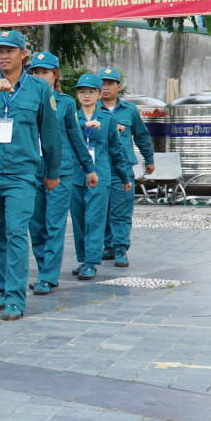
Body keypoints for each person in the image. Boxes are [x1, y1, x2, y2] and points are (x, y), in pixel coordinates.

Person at [0, 30, 61, 321]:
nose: (3, 56)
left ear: (23, 55)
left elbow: (50, 134)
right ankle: (5, 288)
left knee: (16, 232)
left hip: (22, 174)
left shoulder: (39, 89)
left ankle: (16, 299)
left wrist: (52, 172)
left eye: (10, 51)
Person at [26, 52, 96, 295]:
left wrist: (88, 168)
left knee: (54, 224)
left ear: (55, 74)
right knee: (36, 226)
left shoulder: (65, 102)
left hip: (61, 171)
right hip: (31, 170)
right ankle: (44, 270)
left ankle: (47, 276)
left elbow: (76, 136)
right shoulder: (24, 97)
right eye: (35, 72)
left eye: (45, 72)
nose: (39, 76)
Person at [70, 73, 133, 280]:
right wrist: (83, 126)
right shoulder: (71, 116)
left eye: (91, 91)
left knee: (94, 220)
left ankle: (91, 262)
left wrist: (124, 177)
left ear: (99, 95)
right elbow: (62, 134)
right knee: (78, 221)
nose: (86, 95)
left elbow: (116, 150)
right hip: (75, 176)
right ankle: (83, 259)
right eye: (81, 91)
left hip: (101, 177)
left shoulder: (108, 118)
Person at [98, 67, 154, 268]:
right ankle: (108, 246)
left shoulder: (129, 110)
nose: (105, 87)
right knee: (101, 210)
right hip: (99, 169)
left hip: (122, 169)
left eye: (110, 83)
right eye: (102, 83)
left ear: (118, 86)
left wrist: (149, 158)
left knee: (121, 210)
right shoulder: (92, 109)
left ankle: (121, 248)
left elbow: (141, 135)